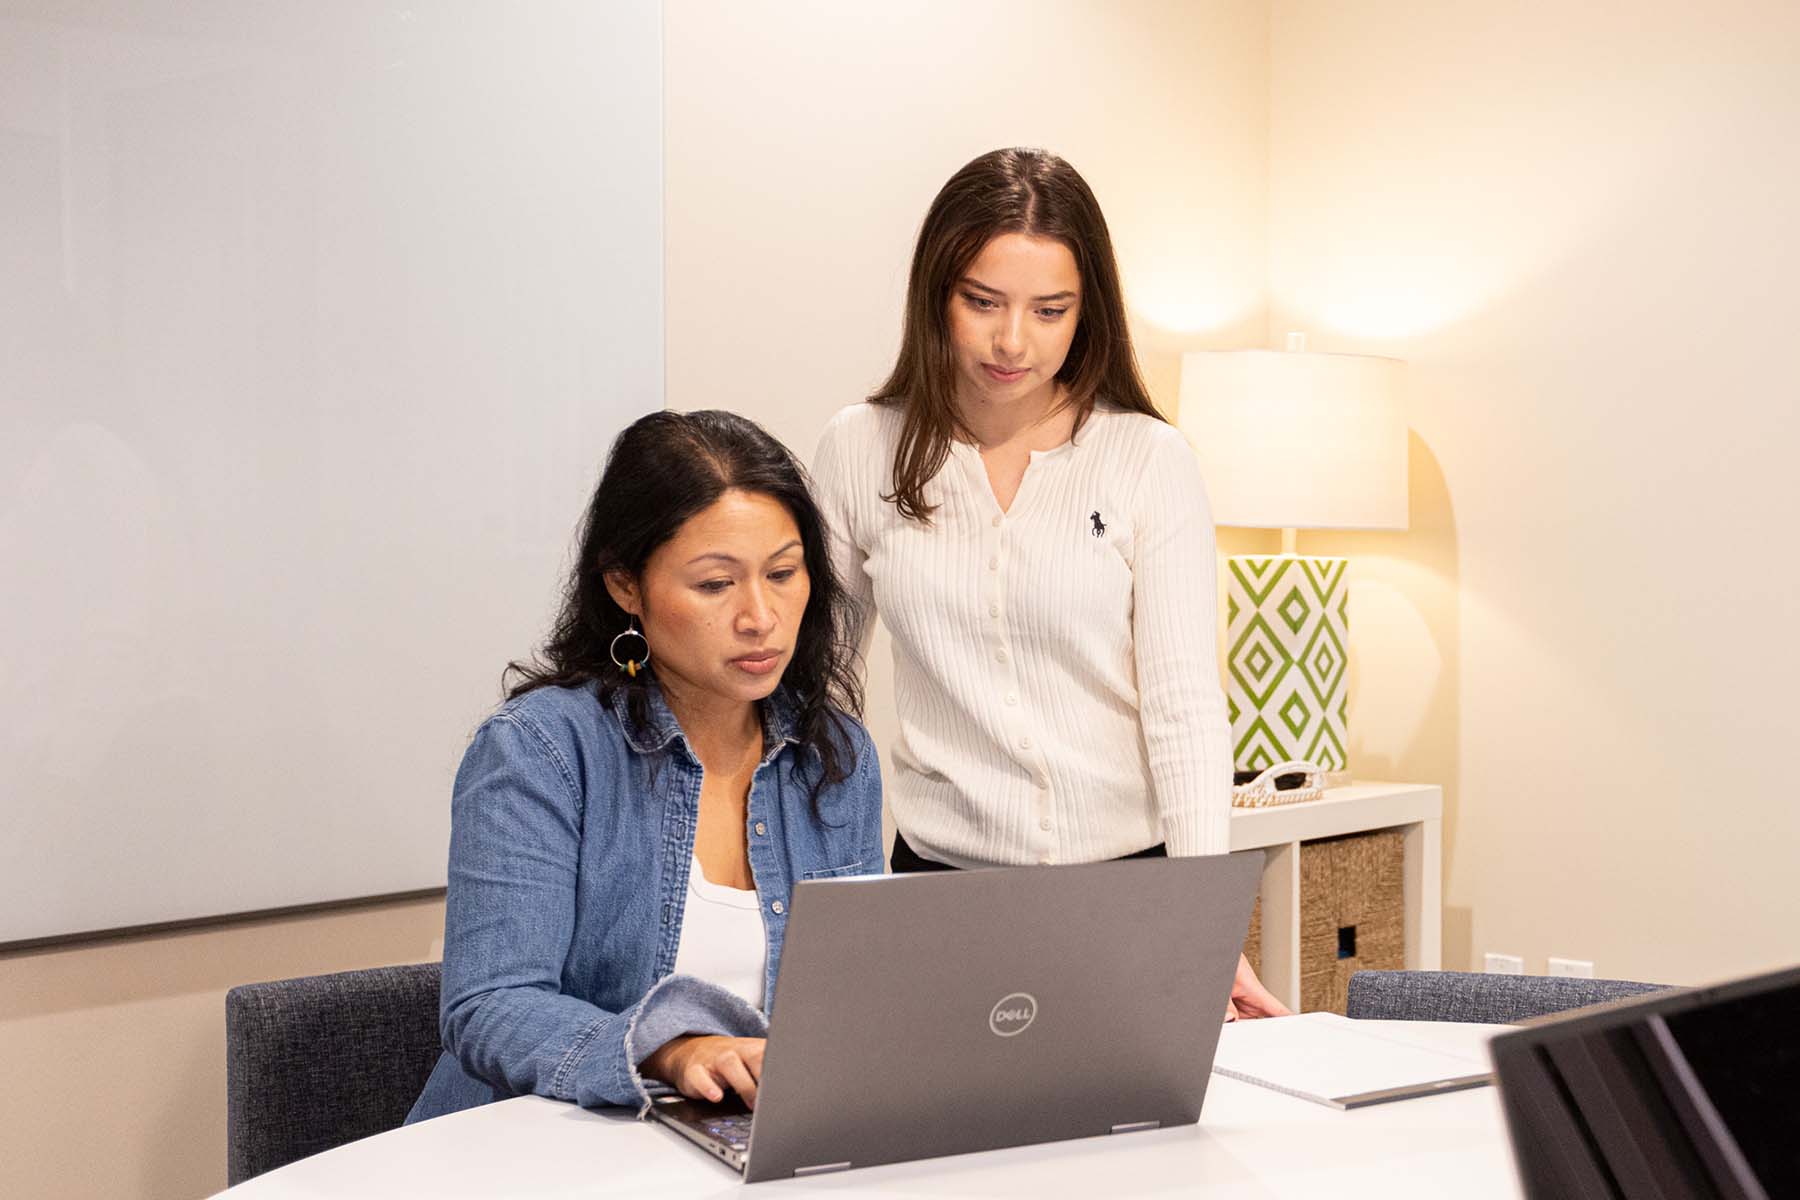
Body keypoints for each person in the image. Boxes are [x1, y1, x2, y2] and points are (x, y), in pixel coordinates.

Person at [811, 147, 1286, 1019]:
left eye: (1049, 309)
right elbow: (822, 694)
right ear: (935, 296)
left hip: (1126, 893)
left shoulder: (1147, 458)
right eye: (981, 302)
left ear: (1087, 311)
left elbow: (1184, 706)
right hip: (937, 891)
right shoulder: (859, 449)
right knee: (943, 1144)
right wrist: (833, 896)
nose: (1011, 342)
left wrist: (1206, 924)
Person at [407, 410, 881, 1122]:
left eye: (784, 573)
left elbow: (856, 1001)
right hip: (541, 1152)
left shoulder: (832, 757)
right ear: (627, 585)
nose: (761, 616)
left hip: (743, 1146)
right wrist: (669, 1048)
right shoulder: (540, 751)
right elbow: (490, 1007)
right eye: (716, 585)